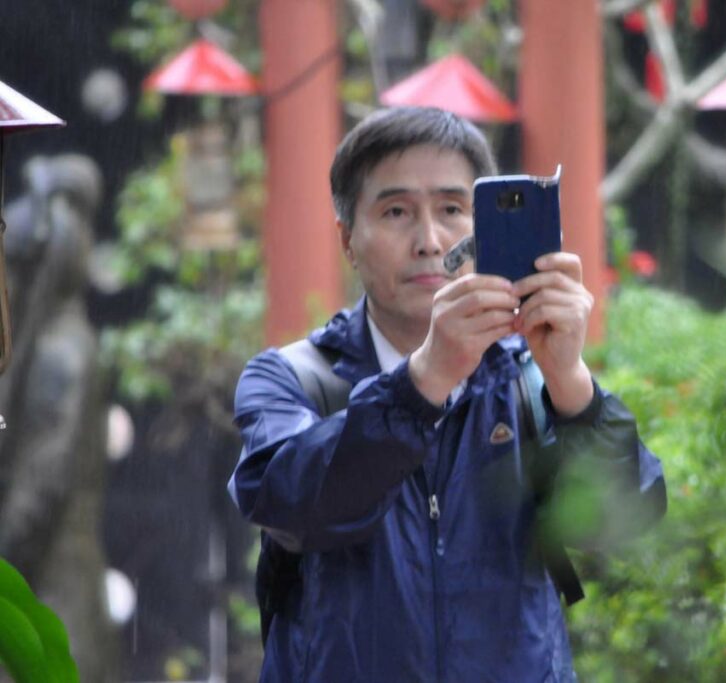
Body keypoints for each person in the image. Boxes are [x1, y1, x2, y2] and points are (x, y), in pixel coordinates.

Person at [228, 107, 666, 682]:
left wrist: (571, 382)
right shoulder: (294, 379)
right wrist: (423, 381)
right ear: (348, 240)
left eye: (453, 210)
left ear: (480, 226)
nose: (429, 241)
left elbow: (623, 519)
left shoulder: (530, 381)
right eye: (395, 211)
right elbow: (287, 505)